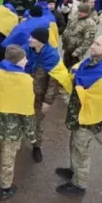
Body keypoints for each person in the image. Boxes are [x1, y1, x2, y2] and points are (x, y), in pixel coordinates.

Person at [56, 35, 102, 196]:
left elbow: (99, 98)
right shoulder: (96, 60)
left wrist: (77, 85)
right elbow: (81, 69)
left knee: (82, 151)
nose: (92, 46)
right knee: (74, 144)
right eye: (93, 42)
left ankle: (79, 185)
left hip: (88, 119)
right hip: (79, 114)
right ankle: (73, 170)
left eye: (97, 44)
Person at [0, 45, 34, 201]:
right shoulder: (25, 80)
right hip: (13, 130)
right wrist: (31, 133)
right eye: (24, 58)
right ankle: (5, 188)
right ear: (17, 61)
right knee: (8, 159)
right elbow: (27, 110)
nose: (26, 60)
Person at [24, 27, 68, 162]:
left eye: (33, 38)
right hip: (23, 94)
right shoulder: (26, 51)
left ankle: (36, 146)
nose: (29, 40)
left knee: (37, 122)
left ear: (41, 41)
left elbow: (53, 83)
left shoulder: (51, 57)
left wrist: (47, 101)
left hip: (39, 96)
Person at [61, 4, 97, 69]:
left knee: (73, 70)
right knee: (64, 68)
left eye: (83, 12)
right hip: (67, 49)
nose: (80, 13)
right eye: (79, 11)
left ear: (87, 13)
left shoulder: (90, 24)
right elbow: (68, 28)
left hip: (76, 52)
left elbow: (88, 40)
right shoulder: (75, 18)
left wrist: (77, 52)